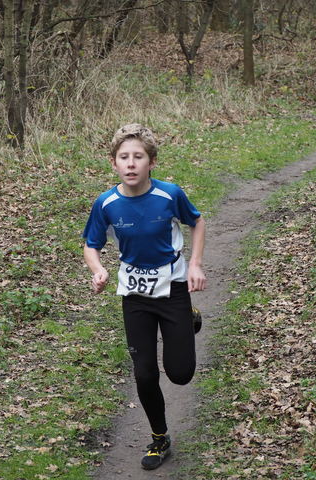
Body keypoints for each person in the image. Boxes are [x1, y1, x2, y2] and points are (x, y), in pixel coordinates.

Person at [82, 124, 206, 470]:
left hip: (173, 290)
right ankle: (159, 437)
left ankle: (188, 317)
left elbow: (197, 222)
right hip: (135, 295)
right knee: (145, 374)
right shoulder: (106, 203)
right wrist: (97, 269)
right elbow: (91, 244)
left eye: (139, 157)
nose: (131, 163)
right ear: (114, 163)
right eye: (124, 157)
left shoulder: (169, 195)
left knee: (180, 374)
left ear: (151, 162)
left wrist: (194, 264)